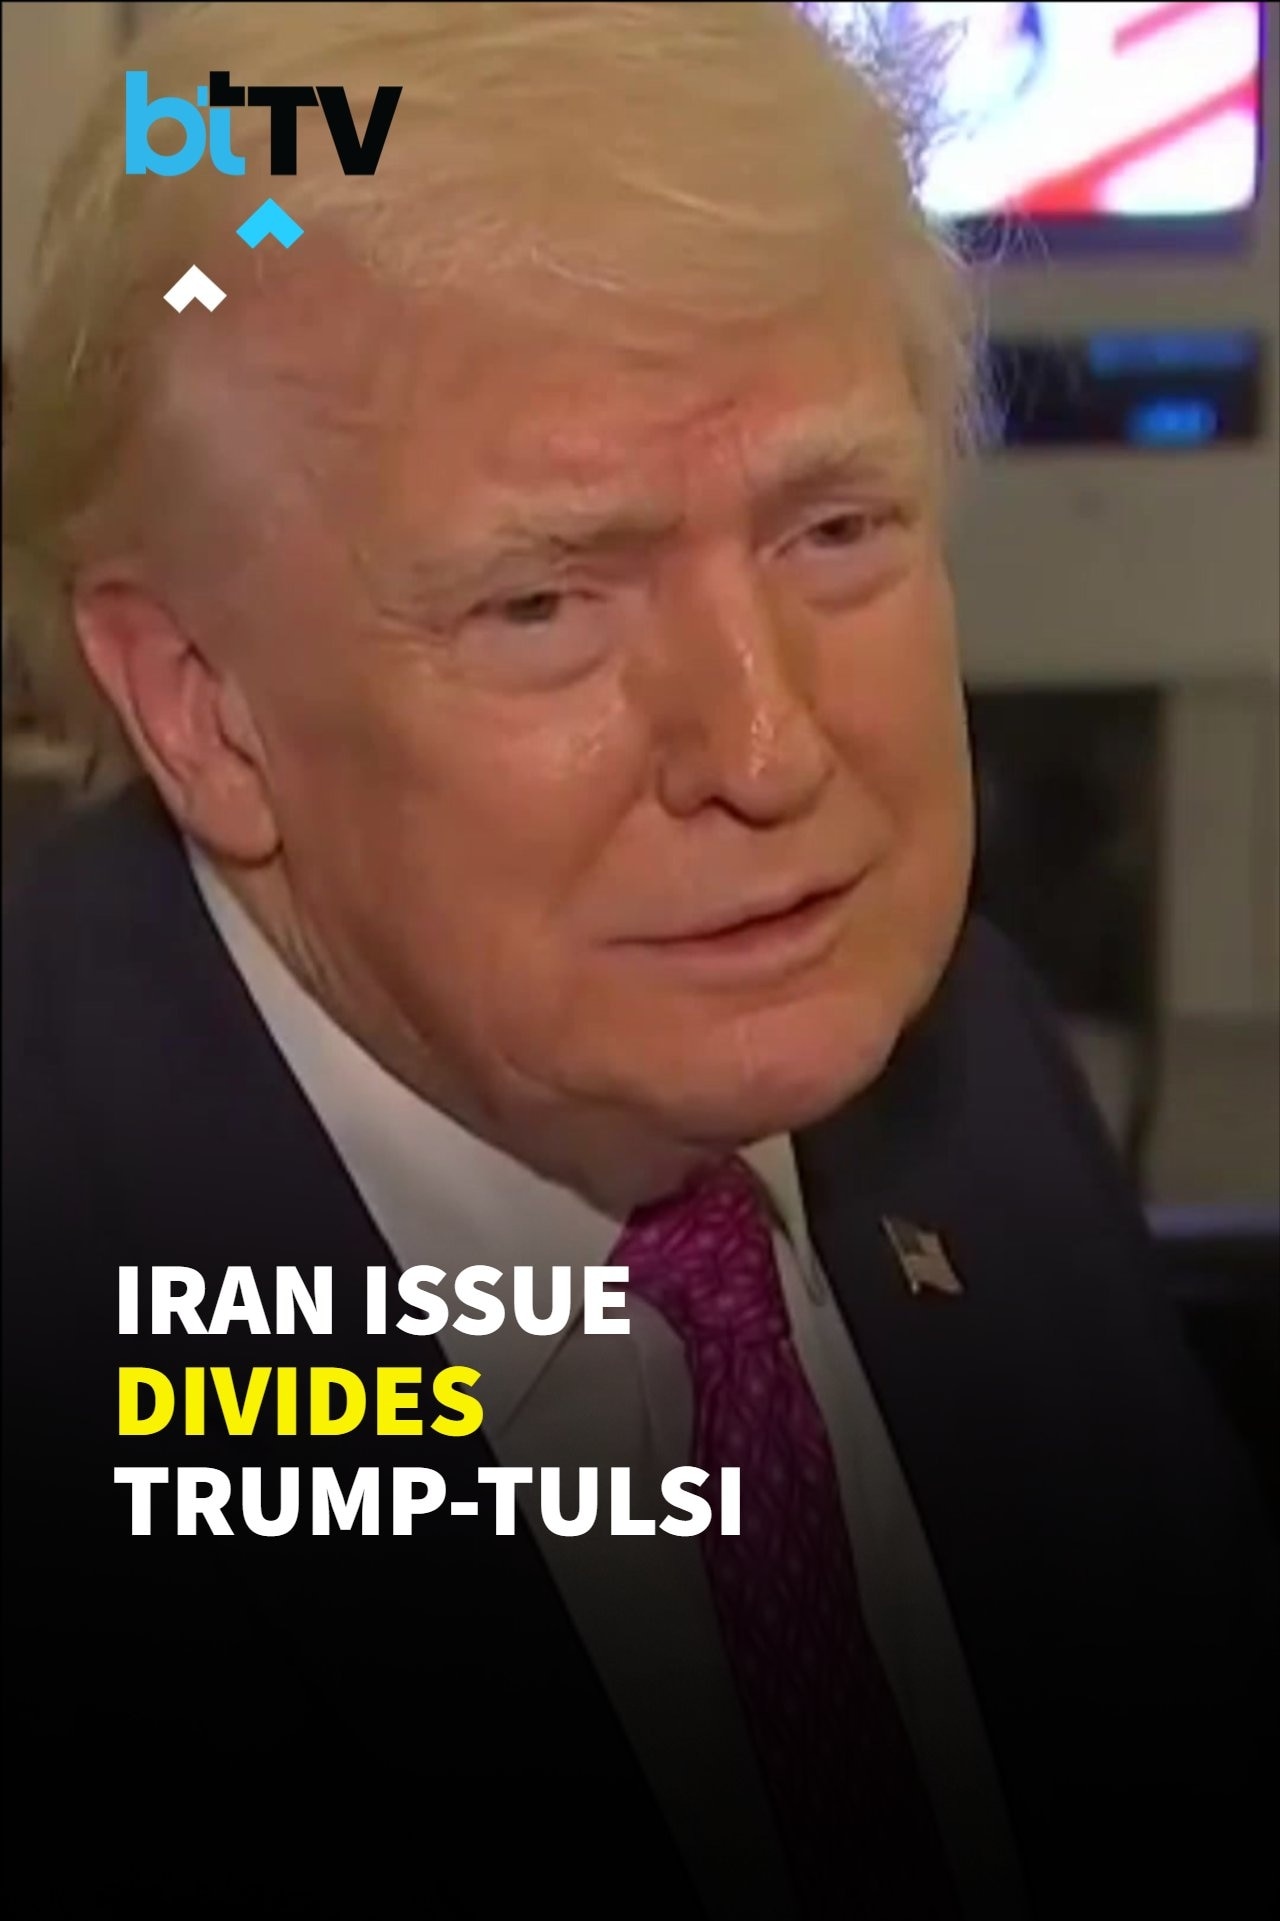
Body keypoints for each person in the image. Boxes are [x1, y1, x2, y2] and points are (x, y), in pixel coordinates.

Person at [2, 5, 1273, 1916]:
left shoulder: (965, 1063)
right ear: (201, 705)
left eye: (835, 528)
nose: (767, 749)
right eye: (542, 603)